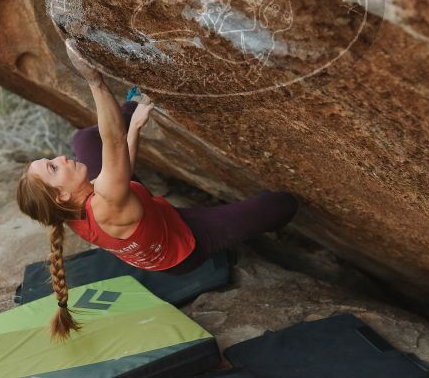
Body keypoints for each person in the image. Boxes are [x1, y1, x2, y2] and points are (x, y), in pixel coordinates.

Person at [16, 37, 299, 341]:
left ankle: (134, 101)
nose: (59, 158)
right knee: (280, 205)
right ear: (61, 194)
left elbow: (118, 172)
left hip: (145, 212)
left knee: (85, 140)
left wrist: (135, 126)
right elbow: (113, 146)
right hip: (183, 245)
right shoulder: (103, 205)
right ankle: (276, 225)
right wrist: (95, 81)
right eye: (53, 168)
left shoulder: (69, 210)